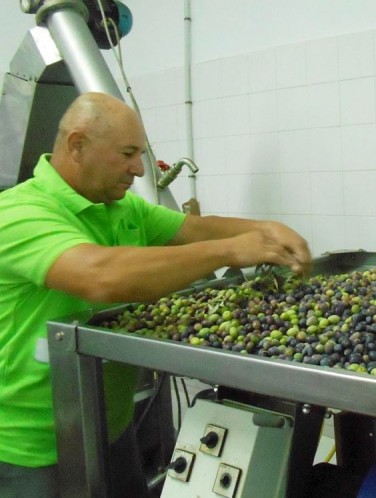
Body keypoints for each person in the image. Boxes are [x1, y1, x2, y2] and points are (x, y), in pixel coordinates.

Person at [0, 92, 311, 497]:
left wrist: (267, 229)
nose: (137, 169)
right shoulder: (19, 213)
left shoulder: (123, 208)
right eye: (128, 154)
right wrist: (233, 250)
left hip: (109, 426)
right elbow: (101, 275)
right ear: (77, 145)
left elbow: (194, 229)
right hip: (31, 448)